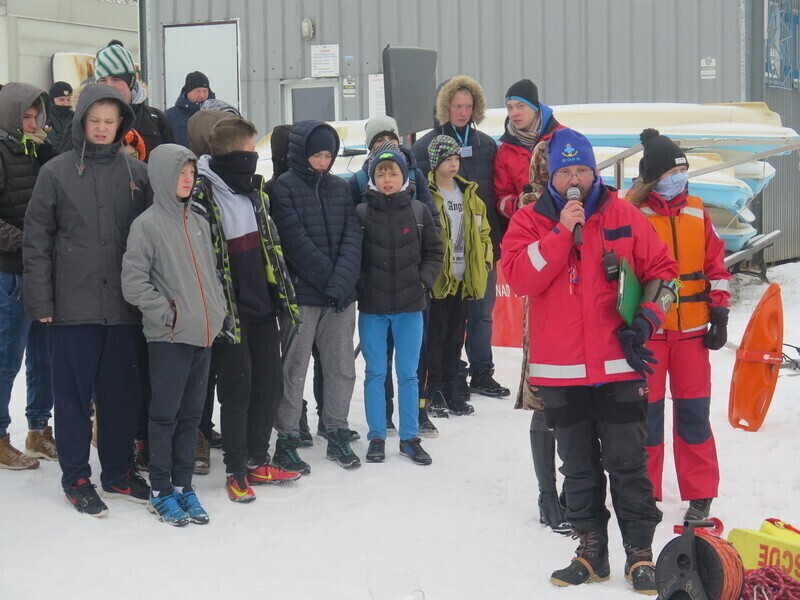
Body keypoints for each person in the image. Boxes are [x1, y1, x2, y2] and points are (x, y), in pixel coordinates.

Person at [501, 128, 679, 594]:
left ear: (594, 171)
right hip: (560, 370)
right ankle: (591, 550)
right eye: (565, 171)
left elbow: (665, 272)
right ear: (552, 176)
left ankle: (640, 554)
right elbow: (521, 278)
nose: (575, 179)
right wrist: (563, 232)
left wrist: (647, 319)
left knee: (627, 464)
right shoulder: (531, 221)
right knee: (577, 467)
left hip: (619, 365)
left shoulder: (623, 214)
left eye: (582, 169)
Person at [23, 84, 152, 518]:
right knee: (73, 396)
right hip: (70, 307)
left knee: (120, 395)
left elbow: (151, 240)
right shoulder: (56, 172)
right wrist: (41, 299)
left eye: (109, 121)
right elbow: (37, 241)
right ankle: (76, 476)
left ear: (121, 125)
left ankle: (116, 471)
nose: (101, 128)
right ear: (81, 121)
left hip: (122, 306)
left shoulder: (136, 173)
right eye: (94, 120)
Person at [192, 116, 301, 502]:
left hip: (262, 305)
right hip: (229, 313)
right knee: (237, 390)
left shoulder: (252, 190)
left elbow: (269, 245)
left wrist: (279, 292)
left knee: (268, 385)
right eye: (251, 150)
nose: (256, 158)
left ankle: (258, 459)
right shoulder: (203, 194)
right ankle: (236, 470)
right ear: (236, 152)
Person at [626, 129, 730, 522]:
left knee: (693, 415)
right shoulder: (632, 216)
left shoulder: (698, 213)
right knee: (645, 418)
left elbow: (717, 268)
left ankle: (700, 494)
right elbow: (624, 278)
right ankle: (644, 493)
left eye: (683, 170)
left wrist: (719, 312)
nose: (680, 178)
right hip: (648, 334)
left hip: (692, 336)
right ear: (654, 177)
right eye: (673, 171)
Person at [121, 144, 226, 525]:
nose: (188, 178)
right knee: (164, 416)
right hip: (168, 337)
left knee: (191, 417)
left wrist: (217, 310)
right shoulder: (146, 225)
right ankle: (161, 488)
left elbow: (211, 275)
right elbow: (133, 284)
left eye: (192, 172)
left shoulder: (197, 220)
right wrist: (168, 314)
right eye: (181, 172)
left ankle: (184, 486)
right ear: (163, 175)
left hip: (203, 333)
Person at [495, 79, 568, 533]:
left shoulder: (593, 207)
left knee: (578, 406)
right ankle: (548, 497)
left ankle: (573, 490)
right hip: (544, 315)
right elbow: (518, 267)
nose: (569, 178)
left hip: (582, 318)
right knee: (545, 400)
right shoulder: (530, 212)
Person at [272, 120, 362, 473]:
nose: (323, 162)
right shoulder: (284, 188)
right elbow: (293, 240)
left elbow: (353, 236)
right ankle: (288, 437)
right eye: (317, 155)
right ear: (301, 154)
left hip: (339, 296)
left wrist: (342, 282)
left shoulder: (340, 189)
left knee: (341, 366)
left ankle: (337, 428)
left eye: (328, 155)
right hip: (302, 296)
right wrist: (330, 278)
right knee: (294, 368)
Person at [412, 75, 506, 402]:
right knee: (443, 320)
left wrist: (496, 240)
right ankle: (445, 375)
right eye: (456, 106)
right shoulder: (425, 146)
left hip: (479, 246)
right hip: (443, 251)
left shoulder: (487, 145)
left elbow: (494, 197)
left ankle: (482, 370)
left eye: (468, 106)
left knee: (481, 312)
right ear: (445, 107)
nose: (463, 112)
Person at [350, 115, 441, 439]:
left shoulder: (417, 212)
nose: (387, 178)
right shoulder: (360, 214)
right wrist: (363, 285)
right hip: (374, 309)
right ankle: (377, 433)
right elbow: (353, 257)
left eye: (393, 172)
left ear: (404, 176)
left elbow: (435, 251)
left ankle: (410, 435)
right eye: (381, 172)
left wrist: (423, 281)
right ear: (372, 177)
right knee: (375, 373)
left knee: (409, 375)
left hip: (410, 307)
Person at [0, 82, 55, 470]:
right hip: (10, 272)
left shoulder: (33, 149)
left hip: (41, 270)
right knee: (6, 357)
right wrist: (27, 243)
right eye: (26, 114)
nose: (33, 121)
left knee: (44, 354)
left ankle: (39, 428)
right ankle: (0, 436)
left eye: (37, 115)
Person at [425, 135, 492, 418]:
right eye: (447, 160)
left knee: (456, 335)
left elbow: (484, 232)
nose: (453, 165)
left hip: (464, 277)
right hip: (439, 278)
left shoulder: (469, 195)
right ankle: (435, 388)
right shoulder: (427, 193)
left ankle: (453, 385)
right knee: (436, 336)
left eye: (456, 159)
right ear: (435, 163)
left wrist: (484, 261)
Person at [60, 40, 174, 158]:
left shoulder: (155, 119)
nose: (109, 86)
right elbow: (65, 163)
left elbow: (172, 164)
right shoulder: (81, 118)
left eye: (116, 79)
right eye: (103, 80)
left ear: (130, 82)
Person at [166, 71, 214, 148]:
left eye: (205, 91)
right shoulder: (170, 116)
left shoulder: (216, 114)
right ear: (188, 92)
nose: (202, 95)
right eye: (197, 91)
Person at [44, 81, 73, 154]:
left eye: (68, 100)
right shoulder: (46, 117)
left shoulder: (75, 116)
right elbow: (53, 140)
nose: (66, 104)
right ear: (52, 100)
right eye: (61, 100)